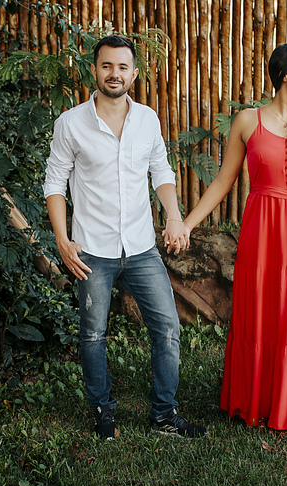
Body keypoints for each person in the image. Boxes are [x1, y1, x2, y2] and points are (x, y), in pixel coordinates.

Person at [43, 35, 206, 440]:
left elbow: (161, 173)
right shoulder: (71, 123)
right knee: (92, 335)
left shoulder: (148, 119)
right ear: (94, 70)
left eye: (122, 67)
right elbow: (54, 182)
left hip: (140, 248)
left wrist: (172, 216)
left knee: (168, 327)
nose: (114, 74)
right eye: (106, 66)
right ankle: (102, 411)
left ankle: (164, 414)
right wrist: (63, 240)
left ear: (134, 73)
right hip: (91, 251)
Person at [181, 41, 287, 431]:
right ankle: (253, 399)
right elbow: (223, 180)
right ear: (285, 73)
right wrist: (187, 224)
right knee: (259, 313)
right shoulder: (247, 121)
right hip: (262, 230)